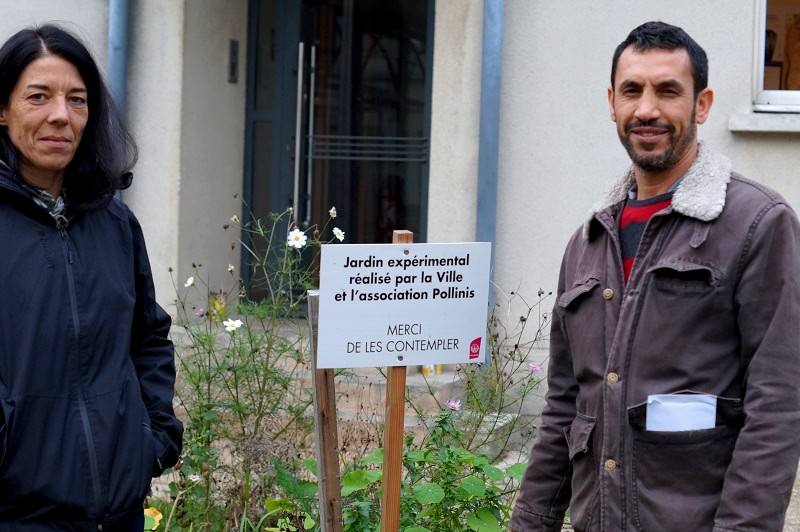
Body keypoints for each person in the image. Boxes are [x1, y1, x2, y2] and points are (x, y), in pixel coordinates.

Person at [510, 21, 800, 532]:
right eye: (632, 91)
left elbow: (777, 406)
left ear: (702, 104)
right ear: (612, 103)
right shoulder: (586, 245)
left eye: (668, 91)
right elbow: (563, 410)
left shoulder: (757, 224)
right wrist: (530, 523)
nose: (647, 109)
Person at [0, 24, 182, 529]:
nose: (61, 115)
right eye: (39, 96)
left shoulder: (115, 222)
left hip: (117, 512)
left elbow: (147, 337)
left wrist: (152, 437)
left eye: (77, 100)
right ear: (2, 109)